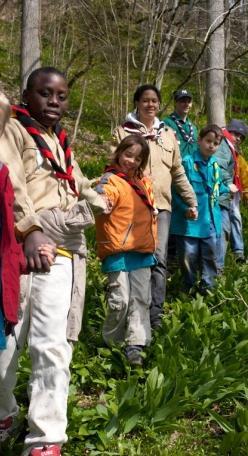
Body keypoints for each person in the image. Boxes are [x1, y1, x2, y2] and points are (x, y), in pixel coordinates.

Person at [0, 67, 107, 456]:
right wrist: (30, 231)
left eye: (61, 96)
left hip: (61, 252)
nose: (54, 102)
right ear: (27, 93)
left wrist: (98, 197)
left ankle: (46, 438)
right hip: (19, 247)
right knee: (6, 346)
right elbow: (11, 183)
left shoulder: (60, 139)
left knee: (51, 345)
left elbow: (75, 180)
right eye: (46, 94)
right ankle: (5, 412)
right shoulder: (12, 129)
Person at [111, 84, 197, 329]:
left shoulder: (168, 134)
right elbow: (114, 167)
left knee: (159, 259)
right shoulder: (122, 133)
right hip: (131, 206)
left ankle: (154, 314)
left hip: (162, 207)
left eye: (154, 101)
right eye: (145, 100)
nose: (150, 104)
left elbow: (177, 171)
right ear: (137, 103)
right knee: (134, 257)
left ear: (159, 105)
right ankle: (130, 311)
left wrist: (191, 200)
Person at [95, 134, 157, 366]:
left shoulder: (145, 183)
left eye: (138, 158)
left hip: (142, 250)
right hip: (118, 249)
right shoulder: (110, 180)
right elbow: (102, 197)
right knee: (120, 299)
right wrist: (101, 202)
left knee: (141, 298)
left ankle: (136, 345)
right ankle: (112, 343)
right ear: (119, 152)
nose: (131, 161)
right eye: (128, 155)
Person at [170, 125, 232, 293]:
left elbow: (216, 189)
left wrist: (229, 188)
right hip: (190, 222)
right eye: (208, 141)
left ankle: (208, 290)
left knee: (210, 256)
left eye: (216, 143)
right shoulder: (187, 163)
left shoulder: (215, 166)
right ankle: (188, 289)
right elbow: (175, 191)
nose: (211, 145)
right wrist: (184, 208)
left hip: (211, 220)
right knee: (188, 256)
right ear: (199, 140)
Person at [215, 119, 248, 270]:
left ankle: (236, 255)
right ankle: (218, 269)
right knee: (223, 229)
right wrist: (229, 184)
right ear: (230, 131)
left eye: (242, 137)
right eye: (237, 134)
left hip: (230, 195)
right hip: (222, 194)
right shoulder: (223, 145)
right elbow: (219, 167)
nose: (239, 138)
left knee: (232, 223)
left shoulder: (232, 149)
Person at [163, 89, 198, 158]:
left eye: (189, 102)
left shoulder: (193, 127)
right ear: (176, 103)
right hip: (175, 166)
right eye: (183, 101)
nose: (187, 104)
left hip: (193, 166)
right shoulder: (167, 123)